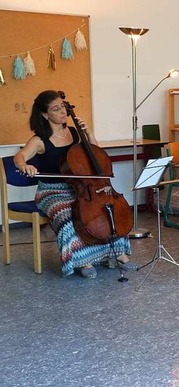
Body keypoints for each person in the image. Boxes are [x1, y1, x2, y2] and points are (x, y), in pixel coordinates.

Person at [14, 90, 137, 278]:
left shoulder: (74, 133)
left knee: (106, 209)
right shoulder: (40, 140)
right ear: (45, 115)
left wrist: (88, 133)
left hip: (79, 188)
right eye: (56, 109)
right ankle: (82, 260)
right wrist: (24, 165)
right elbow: (20, 156)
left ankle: (117, 253)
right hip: (51, 192)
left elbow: (97, 153)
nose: (63, 111)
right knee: (68, 216)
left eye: (63, 106)